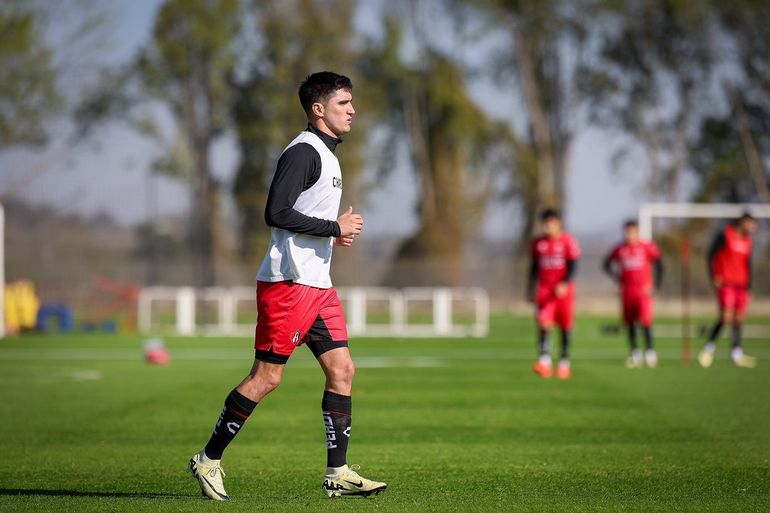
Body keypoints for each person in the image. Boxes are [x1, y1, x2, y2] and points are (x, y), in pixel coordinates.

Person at [187, 72, 386, 500]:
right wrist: (334, 225)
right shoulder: (304, 152)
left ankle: (338, 471)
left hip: (318, 285)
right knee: (266, 378)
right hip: (289, 283)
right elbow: (275, 212)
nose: (352, 110)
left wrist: (331, 235)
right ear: (319, 109)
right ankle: (209, 458)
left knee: (343, 370)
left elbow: (299, 217)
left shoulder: (329, 156)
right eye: (343, 103)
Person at [698, 213, 759, 369]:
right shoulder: (726, 235)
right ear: (742, 222)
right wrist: (713, 275)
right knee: (726, 317)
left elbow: (748, 265)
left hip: (742, 284)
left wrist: (749, 288)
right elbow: (711, 255)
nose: (753, 227)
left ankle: (736, 354)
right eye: (750, 223)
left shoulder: (747, 242)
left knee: (738, 319)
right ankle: (708, 348)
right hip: (726, 283)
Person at [528, 209, 581, 380]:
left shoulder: (568, 241)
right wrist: (529, 288)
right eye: (545, 222)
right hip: (545, 291)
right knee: (543, 323)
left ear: (558, 223)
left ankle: (564, 363)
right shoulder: (538, 244)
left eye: (551, 222)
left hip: (564, 293)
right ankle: (544, 361)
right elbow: (534, 268)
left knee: (565, 327)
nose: (548, 226)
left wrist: (565, 283)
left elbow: (573, 265)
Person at [603, 220, 663, 368]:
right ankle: (635, 353)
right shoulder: (620, 249)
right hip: (627, 291)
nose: (629, 234)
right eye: (627, 231)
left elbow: (660, 264)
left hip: (643, 291)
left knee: (645, 321)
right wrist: (617, 278)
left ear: (637, 232)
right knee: (629, 323)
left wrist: (655, 285)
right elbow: (605, 264)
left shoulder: (646, 247)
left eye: (632, 231)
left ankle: (650, 352)